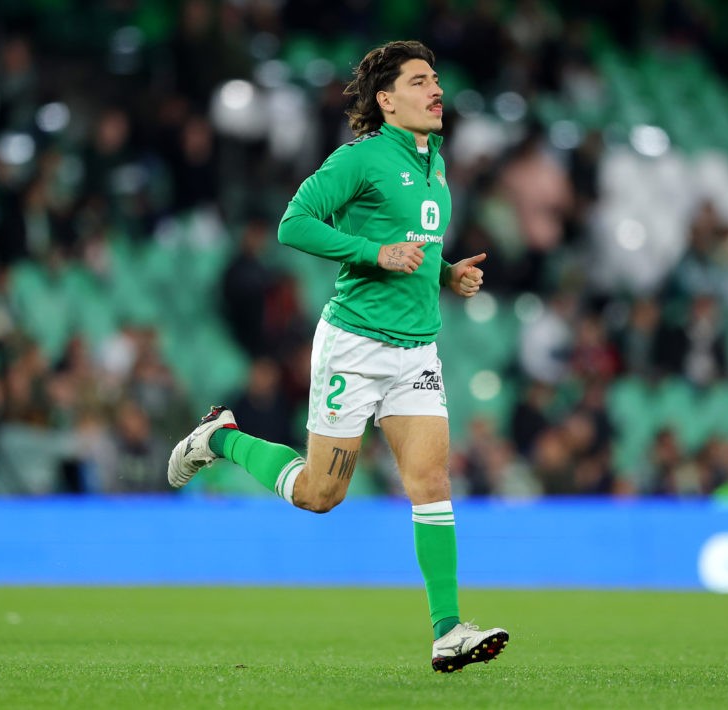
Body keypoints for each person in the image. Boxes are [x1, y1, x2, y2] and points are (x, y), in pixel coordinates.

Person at [166, 40, 508, 673]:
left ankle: (447, 630)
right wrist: (372, 255)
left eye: (436, 79)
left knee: (431, 484)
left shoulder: (432, 162)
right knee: (321, 495)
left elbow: (416, 247)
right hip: (355, 346)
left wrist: (448, 273)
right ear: (387, 100)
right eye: (419, 81)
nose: (435, 90)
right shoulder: (363, 158)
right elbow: (293, 224)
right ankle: (223, 438)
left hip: (417, 352)